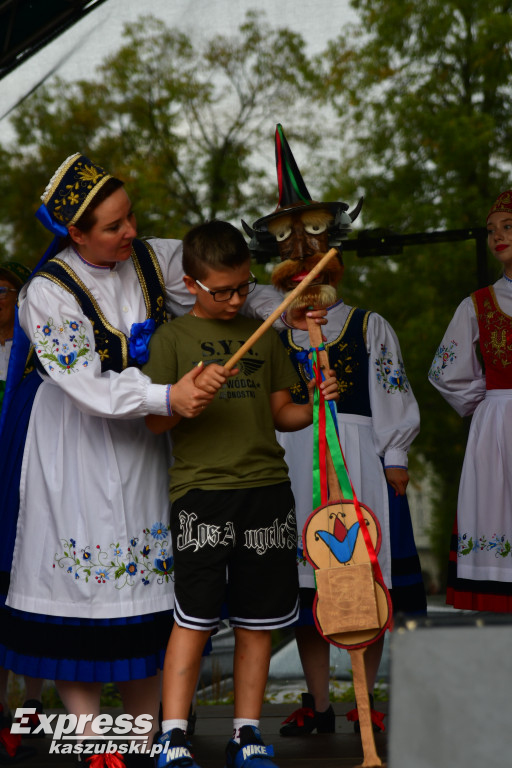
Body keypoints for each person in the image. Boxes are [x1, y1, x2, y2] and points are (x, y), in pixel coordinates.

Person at [0, 153, 286, 766]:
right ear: (74, 234)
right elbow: (84, 381)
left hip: (147, 442)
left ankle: (139, 734)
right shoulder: (46, 294)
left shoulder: (153, 258)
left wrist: (289, 296)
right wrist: (169, 393)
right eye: (112, 225)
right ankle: (88, 733)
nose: (130, 231)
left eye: (129, 216)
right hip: (75, 443)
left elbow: (225, 282)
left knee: (151, 587)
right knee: (80, 587)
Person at [246, 124, 426, 736]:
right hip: (290, 464)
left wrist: (394, 455)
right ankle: (320, 705)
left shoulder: (369, 325)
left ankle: (364, 699)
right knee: (308, 592)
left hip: (355, 460)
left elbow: (391, 392)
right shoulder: (270, 334)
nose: (300, 254)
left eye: (312, 241)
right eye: (288, 247)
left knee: (364, 589)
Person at [142, 219, 338, 768]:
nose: (234, 299)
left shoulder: (266, 332)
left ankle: (247, 733)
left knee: (257, 621)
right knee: (195, 617)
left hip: (268, 492)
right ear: (191, 285)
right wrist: (186, 399)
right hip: (202, 494)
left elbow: (283, 415)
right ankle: (174, 735)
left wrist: (317, 403)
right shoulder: (171, 340)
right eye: (221, 290)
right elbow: (155, 426)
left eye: (242, 287)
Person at [428, 189, 512, 612]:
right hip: (498, 424)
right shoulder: (476, 304)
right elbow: (445, 370)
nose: (498, 236)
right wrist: (489, 404)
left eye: (508, 226)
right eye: (491, 230)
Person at [0, 261, 43, 764]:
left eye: (5, 290)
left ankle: (33, 701)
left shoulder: (36, 358)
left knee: (26, 586)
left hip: (24, 482)